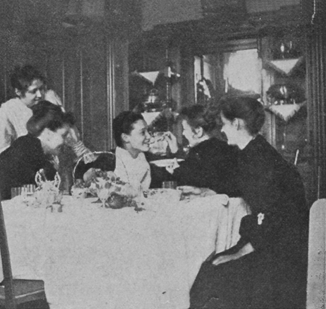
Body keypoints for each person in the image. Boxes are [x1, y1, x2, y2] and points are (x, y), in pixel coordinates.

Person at [189, 96, 309, 309]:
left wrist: (238, 253)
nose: (222, 130)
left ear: (236, 123)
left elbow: (274, 219)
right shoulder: (255, 151)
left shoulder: (259, 162)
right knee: (208, 269)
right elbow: (241, 186)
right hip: (274, 246)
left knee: (209, 274)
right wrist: (208, 190)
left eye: (224, 124)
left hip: (281, 259)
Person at [0, 101, 79, 200]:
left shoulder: (31, 147)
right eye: (63, 135)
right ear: (48, 134)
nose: (66, 141)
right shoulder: (26, 152)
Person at [76, 111, 170, 193]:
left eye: (148, 131)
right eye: (142, 132)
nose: (149, 137)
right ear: (125, 137)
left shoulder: (150, 160)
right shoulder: (107, 159)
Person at [0, 64, 65, 159]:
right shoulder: (6, 111)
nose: (39, 95)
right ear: (18, 92)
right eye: (33, 91)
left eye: (41, 89)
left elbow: (67, 134)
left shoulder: (49, 100)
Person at [165, 105, 239, 196]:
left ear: (198, 131)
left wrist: (176, 171)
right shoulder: (223, 146)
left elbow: (192, 178)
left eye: (185, 129)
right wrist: (176, 152)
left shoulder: (197, 151)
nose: (184, 134)